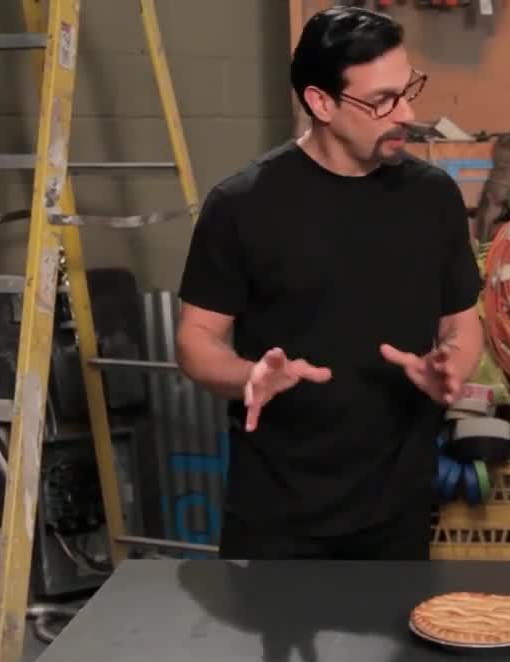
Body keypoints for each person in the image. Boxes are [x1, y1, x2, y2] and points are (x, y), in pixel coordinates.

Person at [174, 6, 484, 561]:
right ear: (321, 103)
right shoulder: (242, 205)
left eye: (407, 90)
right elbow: (197, 339)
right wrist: (247, 376)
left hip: (399, 508)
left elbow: (462, 326)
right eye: (382, 100)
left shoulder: (433, 198)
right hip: (276, 513)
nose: (407, 114)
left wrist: (452, 367)